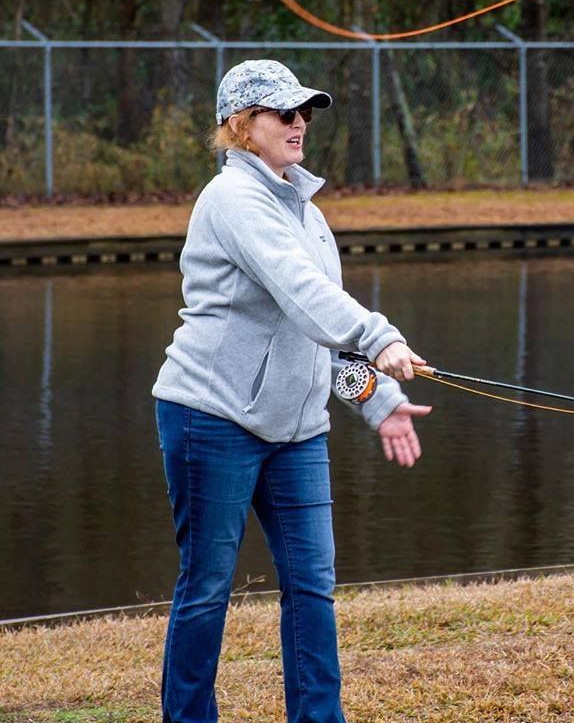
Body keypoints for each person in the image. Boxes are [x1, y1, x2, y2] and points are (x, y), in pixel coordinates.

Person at [152, 59, 431, 723]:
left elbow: (319, 337)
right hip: (209, 415)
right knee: (208, 585)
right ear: (242, 125)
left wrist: (378, 400)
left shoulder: (305, 210)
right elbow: (307, 297)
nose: (300, 120)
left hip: (297, 428)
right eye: (284, 111)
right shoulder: (233, 200)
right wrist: (380, 332)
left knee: (312, 585)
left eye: (304, 109)